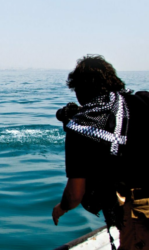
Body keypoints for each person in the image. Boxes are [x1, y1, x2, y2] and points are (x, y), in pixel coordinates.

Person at [52, 55, 149, 250]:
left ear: (80, 89)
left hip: (141, 211)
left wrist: (62, 207)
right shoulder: (144, 99)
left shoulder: (82, 125)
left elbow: (75, 194)